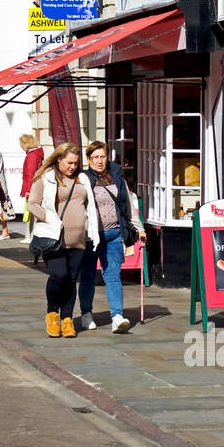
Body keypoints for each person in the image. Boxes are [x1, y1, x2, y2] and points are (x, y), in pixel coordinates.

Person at [27, 143, 99, 339]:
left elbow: (89, 205)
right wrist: (50, 218)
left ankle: (67, 319)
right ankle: (52, 314)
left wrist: (91, 229)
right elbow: (32, 204)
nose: (72, 167)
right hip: (53, 237)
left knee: (70, 281)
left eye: (76, 163)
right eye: (69, 163)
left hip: (78, 239)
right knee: (59, 276)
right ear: (58, 159)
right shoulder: (46, 178)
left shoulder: (82, 178)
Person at [78, 141, 137, 334]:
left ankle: (117, 317)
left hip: (114, 234)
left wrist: (138, 227)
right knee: (87, 277)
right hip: (91, 237)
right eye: (95, 157)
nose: (99, 161)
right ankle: (86, 314)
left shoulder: (116, 174)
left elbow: (127, 202)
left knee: (112, 276)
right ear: (88, 159)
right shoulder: (83, 178)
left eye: (102, 156)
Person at [19, 134, 45, 243]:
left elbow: (30, 174)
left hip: (32, 187)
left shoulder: (31, 156)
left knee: (31, 212)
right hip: (35, 186)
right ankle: (30, 235)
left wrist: (28, 190)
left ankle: (30, 236)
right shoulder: (37, 154)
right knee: (32, 212)